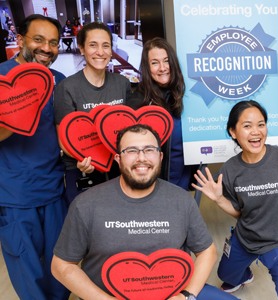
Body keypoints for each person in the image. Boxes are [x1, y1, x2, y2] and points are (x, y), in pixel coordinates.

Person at [51, 124, 239, 300]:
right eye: (131, 151)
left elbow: (207, 252)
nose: (142, 157)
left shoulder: (181, 200)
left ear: (160, 157)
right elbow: (61, 265)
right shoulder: (86, 204)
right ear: (118, 158)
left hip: (173, 293)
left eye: (150, 150)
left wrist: (186, 296)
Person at [193, 100, 278, 300]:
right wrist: (219, 199)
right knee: (225, 276)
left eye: (261, 124)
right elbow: (240, 212)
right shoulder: (230, 169)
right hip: (246, 239)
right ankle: (245, 274)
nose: (256, 131)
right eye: (247, 126)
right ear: (233, 132)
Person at [0, 14, 70, 300]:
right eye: (38, 40)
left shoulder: (58, 80)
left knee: (60, 269)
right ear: (20, 40)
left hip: (54, 190)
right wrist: (20, 108)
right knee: (28, 273)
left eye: (53, 43)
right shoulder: (1, 77)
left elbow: (63, 131)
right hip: (15, 194)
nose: (47, 48)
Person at [54, 22, 131, 204]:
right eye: (92, 45)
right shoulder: (67, 87)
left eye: (106, 46)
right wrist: (84, 159)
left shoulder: (122, 83)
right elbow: (64, 140)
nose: (100, 52)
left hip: (117, 168)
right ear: (81, 49)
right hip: (82, 169)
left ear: (112, 50)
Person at [128, 37, 191, 190]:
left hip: (185, 179)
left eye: (166, 61)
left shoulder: (186, 95)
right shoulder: (137, 103)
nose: (162, 68)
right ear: (147, 67)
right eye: (155, 63)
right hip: (154, 185)